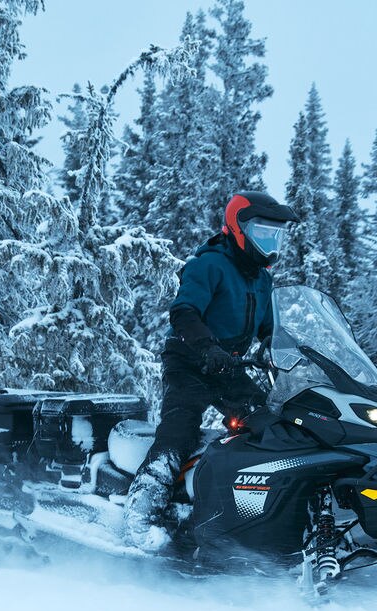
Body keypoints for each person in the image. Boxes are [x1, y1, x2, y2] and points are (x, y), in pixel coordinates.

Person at [123, 190, 298, 550]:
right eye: (263, 234)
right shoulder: (209, 264)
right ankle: (142, 512)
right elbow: (184, 311)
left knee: (267, 423)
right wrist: (207, 347)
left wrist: (290, 357)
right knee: (179, 428)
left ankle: (250, 512)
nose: (270, 243)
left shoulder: (262, 279)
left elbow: (270, 330)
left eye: (276, 235)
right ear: (238, 229)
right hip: (189, 359)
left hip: (228, 364)